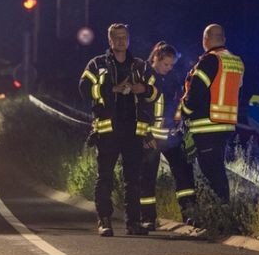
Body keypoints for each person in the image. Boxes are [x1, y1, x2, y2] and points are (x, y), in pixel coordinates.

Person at [79, 23, 158, 237]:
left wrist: (143, 89)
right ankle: (104, 221)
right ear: (110, 41)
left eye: (124, 37)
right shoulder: (98, 64)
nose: (121, 41)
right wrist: (110, 89)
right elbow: (85, 88)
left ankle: (133, 223)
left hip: (134, 130)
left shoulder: (140, 66)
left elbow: (155, 92)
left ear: (129, 39)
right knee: (105, 177)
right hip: (107, 130)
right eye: (117, 38)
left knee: (133, 178)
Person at [176, 23, 245, 203]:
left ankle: (219, 214)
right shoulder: (236, 61)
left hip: (206, 125)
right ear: (223, 39)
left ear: (205, 40)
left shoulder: (210, 60)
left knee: (211, 172)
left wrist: (185, 110)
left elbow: (196, 90)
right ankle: (219, 213)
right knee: (217, 169)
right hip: (226, 123)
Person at [137, 41, 198, 230]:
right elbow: (137, 108)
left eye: (172, 65)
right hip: (151, 138)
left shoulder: (173, 78)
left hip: (172, 137)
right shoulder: (144, 76)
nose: (169, 68)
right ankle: (147, 218)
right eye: (166, 64)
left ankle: (191, 215)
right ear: (156, 57)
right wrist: (144, 136)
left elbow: (178, 105)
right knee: (147, 179)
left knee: (184, 175)